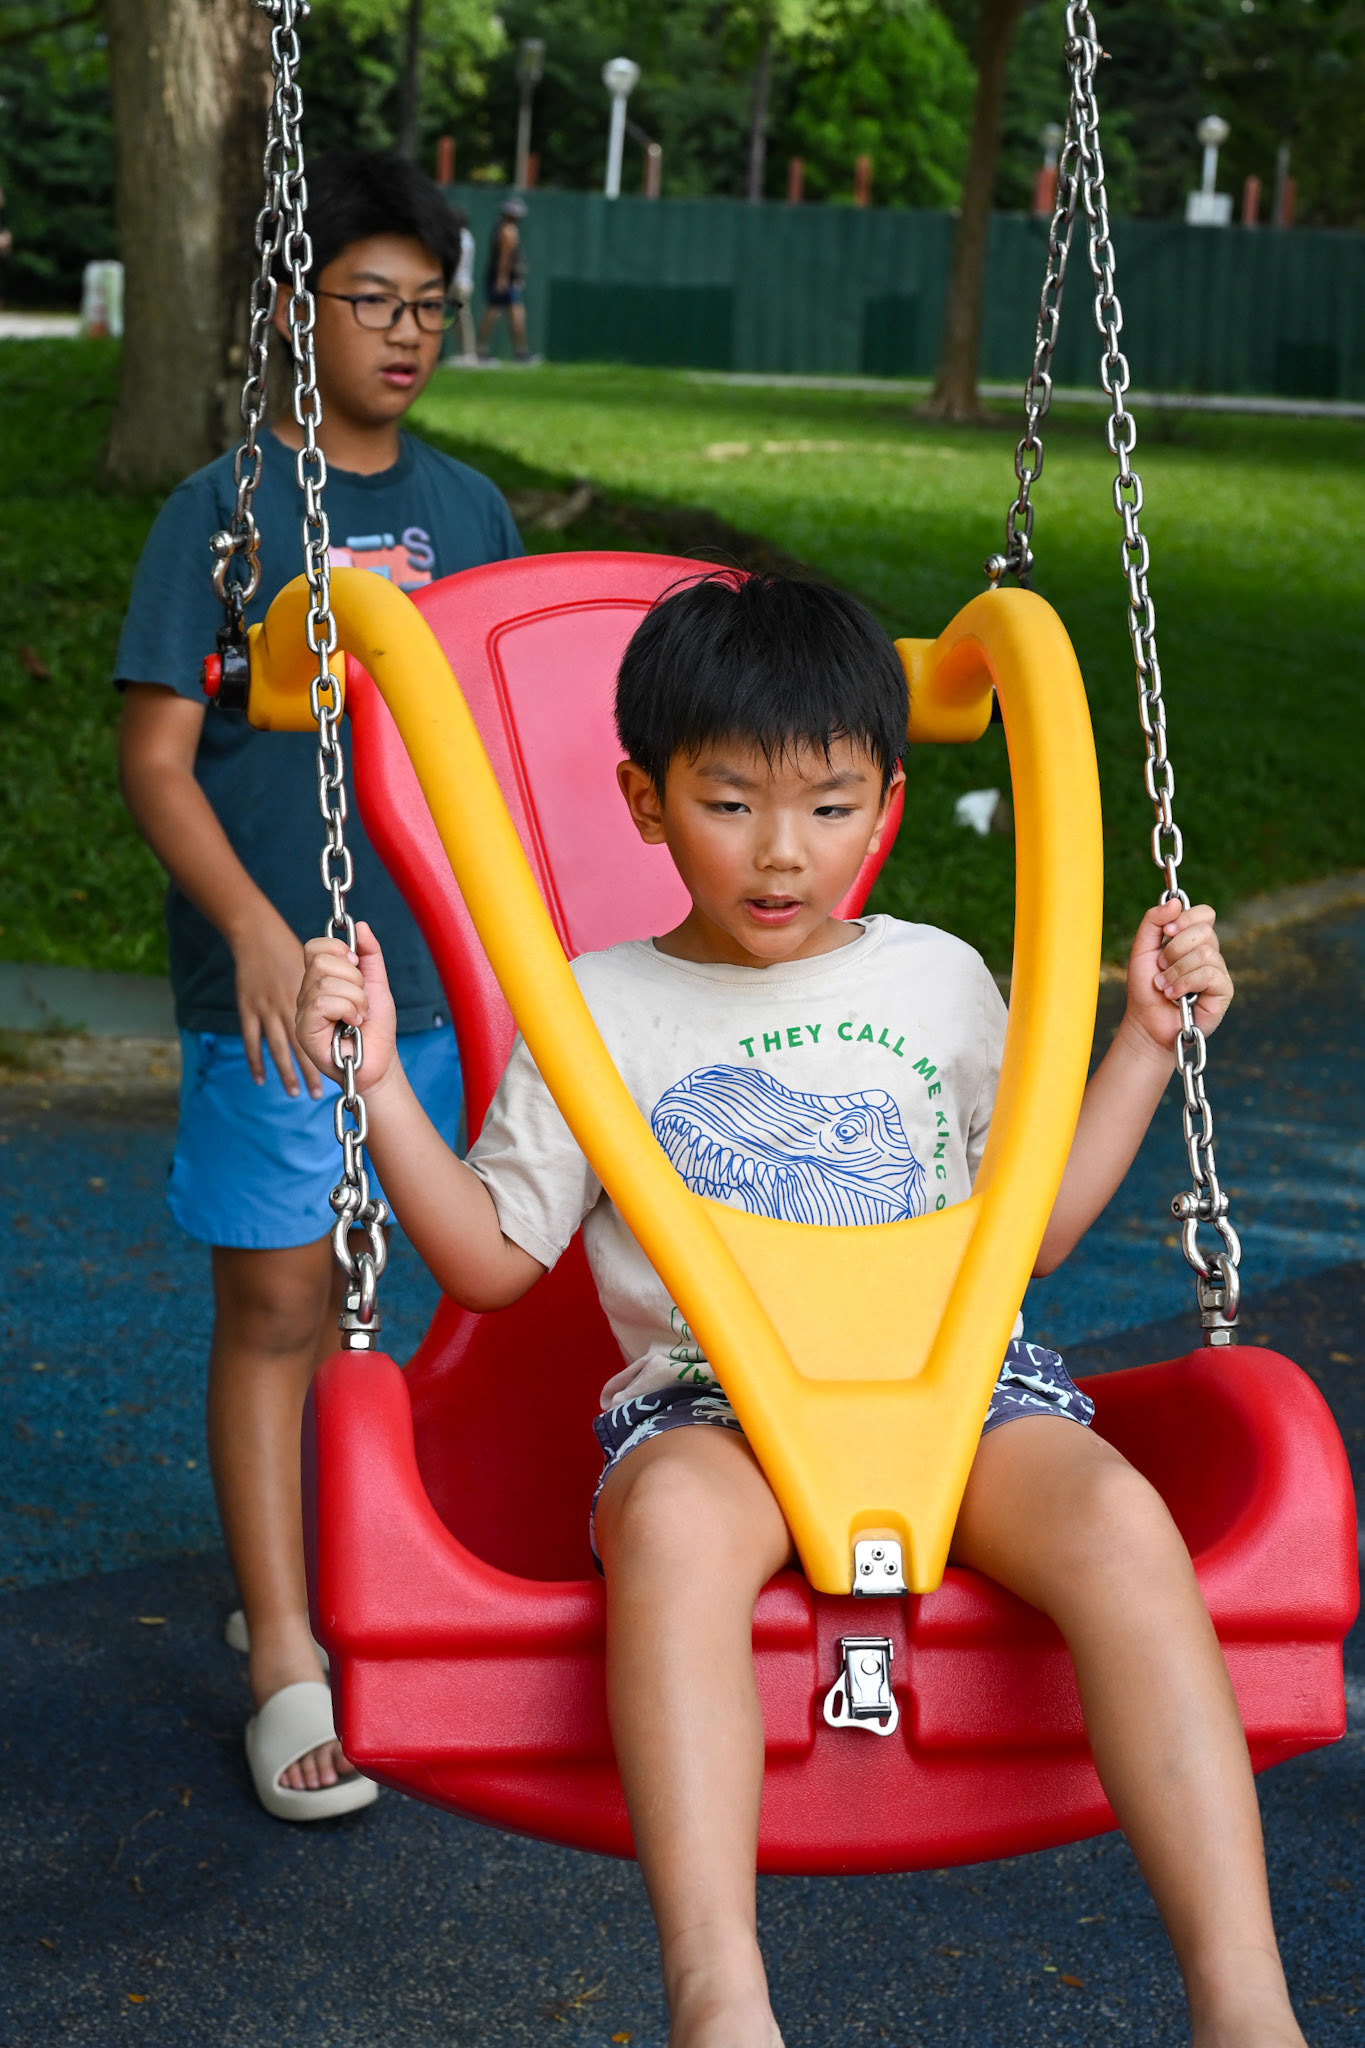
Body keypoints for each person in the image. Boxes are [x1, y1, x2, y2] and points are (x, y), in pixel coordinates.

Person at [296, 571, 1304, 2048]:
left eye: (829, 807)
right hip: (709, 1400)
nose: (782, 852)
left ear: (886, 803)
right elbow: (493, 1261)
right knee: (674, 1526)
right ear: (644, 803)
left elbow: (1031, 1231)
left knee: (1118, 1522)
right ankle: (721, 1998)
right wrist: (380, 1080)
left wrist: (1146, 1044)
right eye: (730, 804)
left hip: (956, 1386)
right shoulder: (594, 1007)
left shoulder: (937, 980)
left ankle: (1245, 2002)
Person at [114, 149, 523, 1823]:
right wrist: (259, 934)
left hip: (434, 987)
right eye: (372, 301)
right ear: (295, 309)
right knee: (281, 1307)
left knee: (435, 1287)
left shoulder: (473, 513)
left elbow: (497, 751)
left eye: (430, 305)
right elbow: (157, 761)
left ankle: (340, 1563)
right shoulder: (219, 512)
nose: (407, 333)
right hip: (283, 997)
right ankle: (284, 1646)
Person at [477, 195, 534, 362]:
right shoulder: (508, 231)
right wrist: (502, 279)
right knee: (506, 315)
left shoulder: (501, 228)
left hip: (500, 279)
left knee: (497, 314)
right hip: (504, 281)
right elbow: (505, 257)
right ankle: (520, 351)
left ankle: (484, 349)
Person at [449, 205, 477, 362]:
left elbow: (458, 262)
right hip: (459, 282)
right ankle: (464, 353)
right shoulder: (464, 236)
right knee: (458, 320)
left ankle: (468, 354)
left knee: (463, 319)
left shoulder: (463, 237)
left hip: (460, 283)